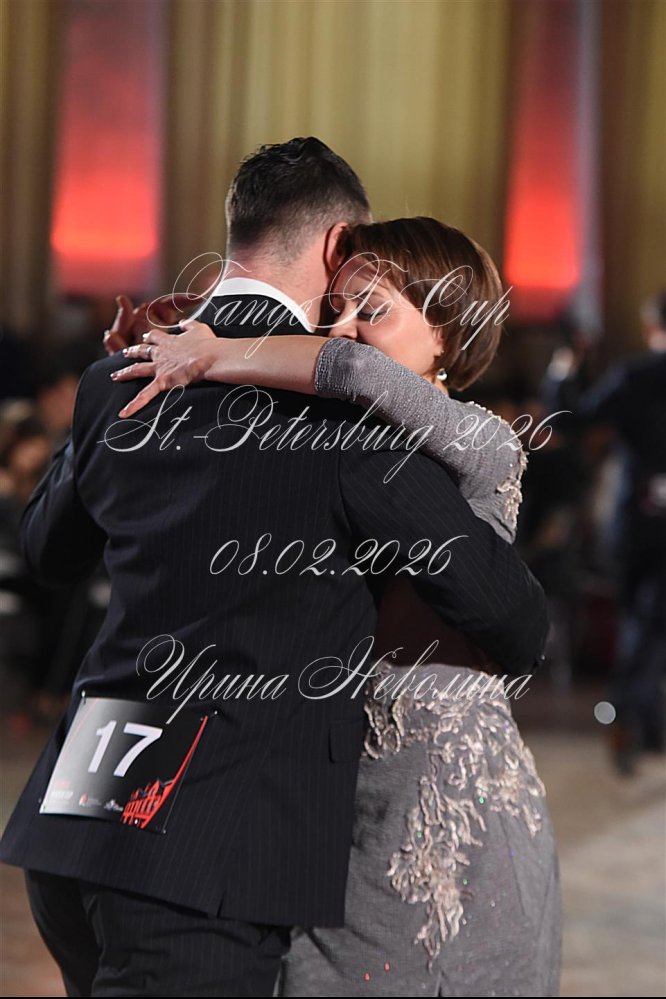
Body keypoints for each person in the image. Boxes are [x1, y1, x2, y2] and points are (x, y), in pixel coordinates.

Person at [0, 139, 549, 998]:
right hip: (204, 856)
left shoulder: (119, 378)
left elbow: (46, 551)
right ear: (337, 246)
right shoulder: (345, 420)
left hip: (71, 824)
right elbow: (512, 617)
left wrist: (108, 396)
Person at [542, 292, 666, 775]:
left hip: (637, 520)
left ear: (651, 325)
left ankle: (632, 717)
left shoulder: (633, 376)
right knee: (651, 622)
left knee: (640, 619)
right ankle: (639, 722)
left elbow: (573, 420)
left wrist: (562, 370)